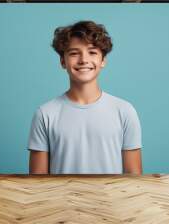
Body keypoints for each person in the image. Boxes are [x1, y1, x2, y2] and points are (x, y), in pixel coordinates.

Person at [28, 20, 142, 174]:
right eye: (74, 53)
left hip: (109, 198)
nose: (83, 60)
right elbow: (37, 181)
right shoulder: (45, 114)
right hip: (60, 198)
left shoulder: (125, 111)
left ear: (103, 61)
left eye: (92, 52)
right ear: (63, 61)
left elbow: (134, 179)